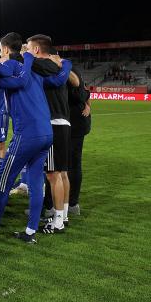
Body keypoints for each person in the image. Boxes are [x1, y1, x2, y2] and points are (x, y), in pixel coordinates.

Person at [0, 44, 64, 244]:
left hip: (27, 135)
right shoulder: (36, 75)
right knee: (36, 182)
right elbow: (57, 79)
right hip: (46, 133)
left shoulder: (11, 71)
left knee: (2, 179)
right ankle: (30, 232)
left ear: (6, 51)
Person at [26, 35, 73, 233]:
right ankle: (63, 215)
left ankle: (58, 222)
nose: (27, 51)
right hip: (64, 123)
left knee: (53, 175)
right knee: (62, 173)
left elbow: (23, 62)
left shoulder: (42, 65)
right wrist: (66, 63)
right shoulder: (57, 65)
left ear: (36, 49)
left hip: (53, 124)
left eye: (29, 48)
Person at [67, 64, 91, 215]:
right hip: (76, 125)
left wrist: (87, 105)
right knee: (71, 165)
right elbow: (86, 92)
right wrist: (87, 105)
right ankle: (70, 204)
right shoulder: (72, 69)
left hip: (72, 125)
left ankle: (64, 204)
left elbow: (84, 93)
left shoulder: (63, 71)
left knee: (62, 166)